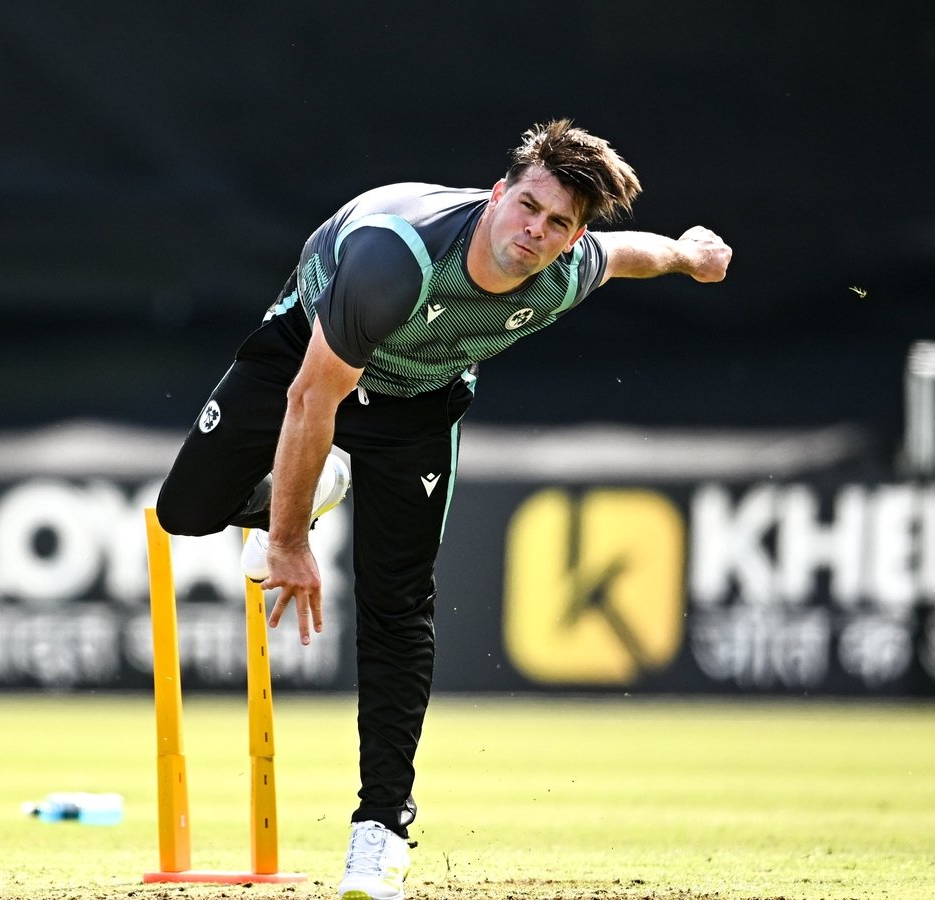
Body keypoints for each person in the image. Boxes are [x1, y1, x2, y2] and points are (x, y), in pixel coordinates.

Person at [155, 119, 731, 900]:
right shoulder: (398, 259)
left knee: (396, 606)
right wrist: (287, 540)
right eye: (527, 206)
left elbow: (633, 253)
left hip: (418, 406)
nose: (535, 231)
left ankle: (381, 830)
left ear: (573, 237)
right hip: (308, 356)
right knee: (187, 511)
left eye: (557, 223)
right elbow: (311, 398)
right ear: (497, 195)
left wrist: (690, 255)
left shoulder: (567, 272)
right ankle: (315, 487)